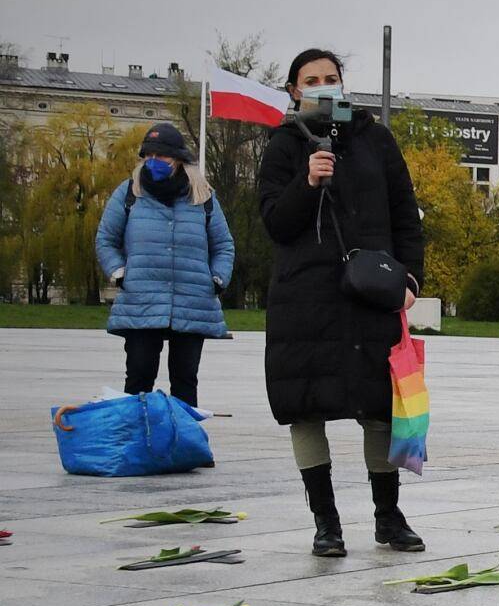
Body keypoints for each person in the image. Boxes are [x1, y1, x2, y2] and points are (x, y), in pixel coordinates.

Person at [256, 49, 426, 558]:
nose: (324, 87)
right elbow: (274, 223)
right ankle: (325, 523)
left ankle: (388, 517)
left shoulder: (375, 139)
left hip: (370, 295)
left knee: (380, 408)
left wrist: (410, 277)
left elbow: (405, 216)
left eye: (332, 79)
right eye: (312, 81)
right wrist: (308, 182)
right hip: (304, 300)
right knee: (305, 407)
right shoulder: (284, 145)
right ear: (293, 91)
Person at [98, 121, 233, 410]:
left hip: (192, 302)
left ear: (178, 159)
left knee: (185, 380)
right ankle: (135, 444)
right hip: (140, 300)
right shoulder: (129, 193)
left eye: (161, 156)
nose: (153, 161)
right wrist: (119, 273)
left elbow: (223, 245)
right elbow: (106, 239)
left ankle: (184, 448)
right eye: (148, 155)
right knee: (138, 377)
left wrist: (217, 279)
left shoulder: (204, 196)